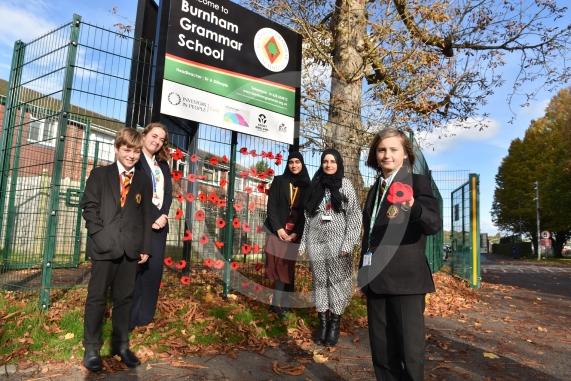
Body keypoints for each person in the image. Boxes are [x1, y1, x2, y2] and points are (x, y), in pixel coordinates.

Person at [359, 128, 441, 381]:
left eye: (394, 149)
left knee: (409, 351)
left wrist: (414, 207)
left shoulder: (418, 183)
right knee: (382, 352)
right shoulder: (374, 190)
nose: (387, 155)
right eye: (382, 149)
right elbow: (370, 234)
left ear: (405, 154)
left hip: (406, 281)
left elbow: (433, 224)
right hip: (376, 279)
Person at [81, 127, 152, 372]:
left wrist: (144, 246)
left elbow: (145, 214)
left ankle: (121, 346)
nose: (132, 156)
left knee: (124, 299)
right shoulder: (100, 175)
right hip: (104, 248)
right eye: (127, 150)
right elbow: (89, 207)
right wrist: (99, 236)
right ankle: (91, 348)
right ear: (117, 148)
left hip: (130, 250)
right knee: (97, 298)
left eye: (136, 151)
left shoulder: (142, 180)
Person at [298, 148, 362, 346]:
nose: (328, 165)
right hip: (315, 242)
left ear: (338, 163)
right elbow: (307, 218)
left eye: (332, 161)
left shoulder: (345, 185)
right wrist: (302, 244)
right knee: (320, 283)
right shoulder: (314, 185)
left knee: (336, 283)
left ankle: (334, 324)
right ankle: (323, 324)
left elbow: (354, 216)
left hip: (338, 243)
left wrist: (348, 243)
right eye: (325, 161)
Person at [130, 122, 173, 330]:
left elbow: (169, 193)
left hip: (160, 226)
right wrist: (155, 215)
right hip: (140, 224)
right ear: (144, 135)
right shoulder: (135, 160)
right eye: (154, 136)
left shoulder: (162, 165)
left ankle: (145, 318)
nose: (157, 141)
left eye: (161, 139)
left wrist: (163, 214)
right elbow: (135, 192)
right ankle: (130, 318)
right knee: (135, 270)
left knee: (153, 272)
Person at [263, 151, 310, 317]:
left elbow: (307, 213)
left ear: (302, 164)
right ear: (288, 164)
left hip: (295, 232)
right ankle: (277, 304)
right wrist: (279, 229)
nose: (294, 165)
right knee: (278, 265)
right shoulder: (279, 181)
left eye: (298, 162)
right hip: (278, 230)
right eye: (291, 162)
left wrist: (296, 233)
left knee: (287, 266)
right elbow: (271, 207)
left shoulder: (307, 185)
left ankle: (286, 303)